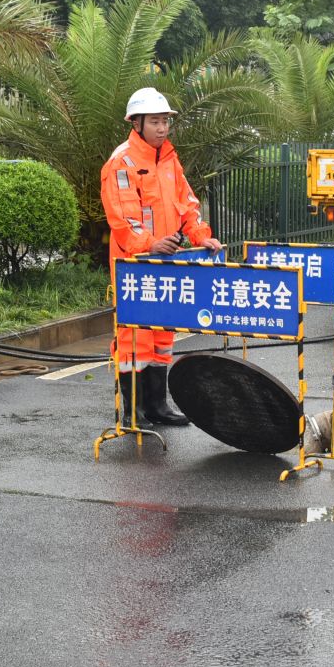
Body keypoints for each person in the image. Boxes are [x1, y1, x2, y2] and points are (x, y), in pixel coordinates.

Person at [100, 87, 225, 428]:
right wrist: (150, 243)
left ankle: (158, 406)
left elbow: (188, 205)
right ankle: (134, 411)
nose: (162, 128)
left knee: (162, 334)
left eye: (165, 122)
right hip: (135, 265)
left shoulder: (169, 160)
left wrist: (203, 237)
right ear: (136, 123)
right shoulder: (122, 162)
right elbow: (123, 218)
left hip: (168, 264)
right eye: (155, 122)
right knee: (134, 338)